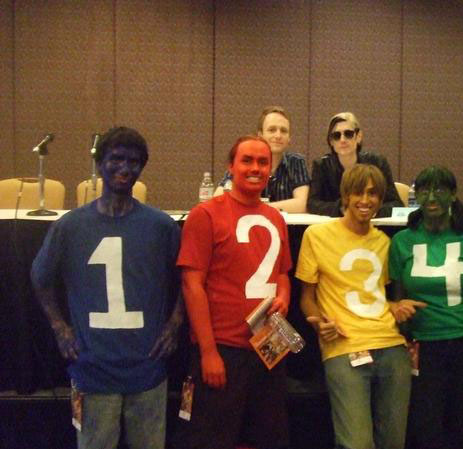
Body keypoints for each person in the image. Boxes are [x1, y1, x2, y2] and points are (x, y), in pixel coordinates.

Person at [31, 126, 183, 449]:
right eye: (116, 159)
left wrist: (175, 322)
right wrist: (59, 327)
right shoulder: (70, 226)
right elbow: (40, 277)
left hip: (147, 367)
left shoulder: (161, 227)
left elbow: (190, 277)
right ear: (100, 164)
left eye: (133, 161)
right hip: (93, 368)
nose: (124, 168)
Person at [173, 135, 292, 449]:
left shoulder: (275, 218)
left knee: (266, 438)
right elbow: (192, 285)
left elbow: (282, 273)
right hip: (224, 349)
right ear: (230, 166)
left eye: (263, 162)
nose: (255, 168)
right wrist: (208, 352)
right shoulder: (206, 214)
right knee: (212, 439)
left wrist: (284, 298)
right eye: (247, 161)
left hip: (269, 347)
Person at [296, 163, 423, 449]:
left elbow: (373, 295)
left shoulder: (384, 242)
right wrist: (319, 323)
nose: (366, 200)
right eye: (358, 193)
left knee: (393, 442)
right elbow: (307, 298)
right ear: (345, 196)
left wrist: (395, 305)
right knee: (357, 444)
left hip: (391, 345)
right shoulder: (316, 235)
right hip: (344, 346)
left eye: (373, 193)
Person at [388, 165, 463, 449]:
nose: (431, 197)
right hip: (425, 346)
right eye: (424, 190)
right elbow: (398, 299)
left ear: (453, 194)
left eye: (439, 189)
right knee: (426, 428)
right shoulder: (402, 242)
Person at [214, 106, 310, 213]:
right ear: (260, 135)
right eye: (272, 130)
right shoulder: (245, 160)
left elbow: (302, 205)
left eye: (283, 131)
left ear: (289, 138)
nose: (278, 135)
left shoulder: (296, 162)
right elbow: (218, 198)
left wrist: (258, 208)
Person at [307, 111, 403, 217]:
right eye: (336, 136)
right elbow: (312, 204)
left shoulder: (378, 163)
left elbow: (396, 204)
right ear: (331, 142)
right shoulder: (322, 166)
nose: (342, 140)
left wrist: (371, 211)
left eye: (348, 134)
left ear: (359, 136)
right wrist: (343, 208)